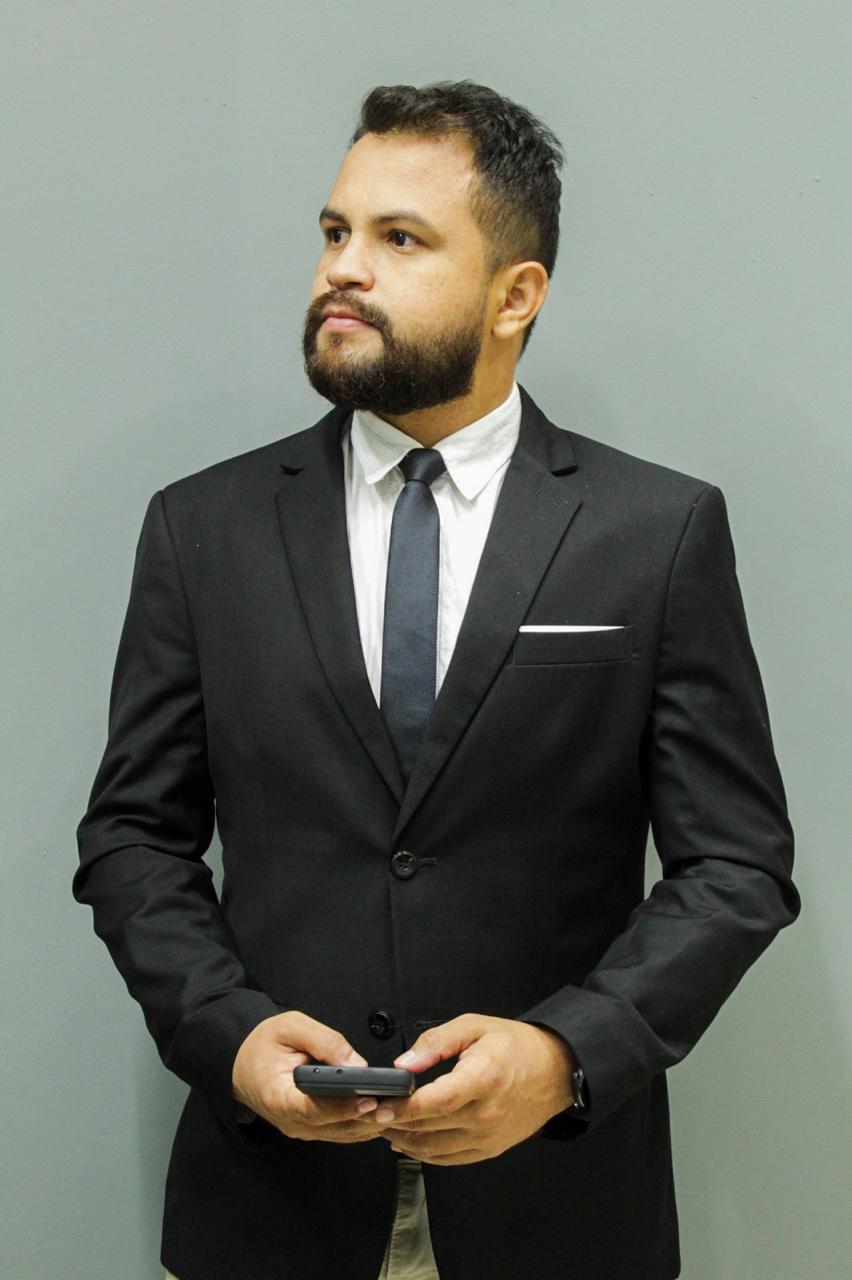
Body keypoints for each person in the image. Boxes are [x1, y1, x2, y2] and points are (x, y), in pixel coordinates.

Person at [73, 80, 799, 1280]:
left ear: (517, 294)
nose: (343, 269)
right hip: (272, 1205)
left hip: (558, 1208)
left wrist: (566, 1055)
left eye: (400, 238)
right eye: (335, 230)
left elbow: (736, 864)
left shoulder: (654, 533)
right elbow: (132, 838)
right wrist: (232, 1037)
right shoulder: (204, 528)